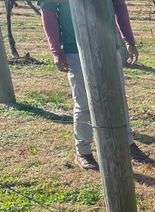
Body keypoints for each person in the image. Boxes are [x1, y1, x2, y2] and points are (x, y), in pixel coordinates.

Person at [39, 0, 147, 170]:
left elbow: (119, 6)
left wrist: (129, 40)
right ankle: (83, 151)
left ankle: (127, 142)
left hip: (110, 46)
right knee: (83, 102)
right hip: (75, 49)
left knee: (118, 97)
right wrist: (56, 51)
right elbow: (49, 13)